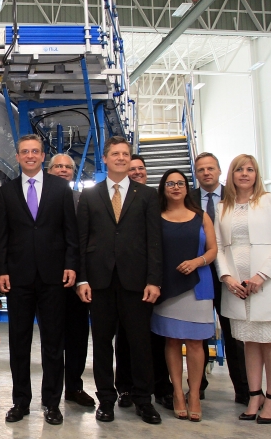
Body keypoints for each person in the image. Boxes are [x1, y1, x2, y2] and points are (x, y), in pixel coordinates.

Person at [76, 136, 163, 425]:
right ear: (105, 158)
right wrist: (82, 279)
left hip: (136, 282)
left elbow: (154, 242)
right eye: (115, 154)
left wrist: (154, 280)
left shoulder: (148, 195)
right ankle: (106, 400)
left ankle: (143, 399)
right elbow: (82, 239)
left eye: (126, 154)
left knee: (139, 344)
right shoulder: (90, 195)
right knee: (102, 344)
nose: (121, 158)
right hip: (99, 282)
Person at [0, 134, 79, 426]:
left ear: (43, 156)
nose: (30, 156)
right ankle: (21, 402)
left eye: (35, 151)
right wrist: (2, 270)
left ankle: (51, 402)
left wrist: (71, 264)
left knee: (54, 343)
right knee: (19, 342)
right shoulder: (6, 192)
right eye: (24, 152)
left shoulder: (60, 188)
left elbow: (71, 232)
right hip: (18, 278)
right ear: (17, 157)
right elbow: (2, 237)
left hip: (54, 277)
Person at [214, 154, 271, 424]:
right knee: (249, 342)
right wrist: (227, 277)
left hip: (266, 284)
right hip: (237, 286)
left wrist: (262, 275)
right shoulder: (223, 206)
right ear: (231, 175)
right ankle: (254, 395)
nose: (244, 174)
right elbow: (219, 247)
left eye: (250, 169)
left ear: (257, 174)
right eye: (239, 170)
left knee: (270, 340)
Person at [152, 169, 217, 422]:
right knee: (171, 341)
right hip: (168, 287)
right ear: (164, 188)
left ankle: (195, 395)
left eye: (180, 183)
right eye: (170, 183)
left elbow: (213, 250)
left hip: (198, 286)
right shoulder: (156, 217)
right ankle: (177, 393)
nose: (176, 187)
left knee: (195, 343)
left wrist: (197, 261)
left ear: (187, 188)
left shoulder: (201, 217)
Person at [190, 152, 249, 405]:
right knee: (199, 334)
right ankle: (197, 386)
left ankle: (244, 389)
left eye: (210, 168)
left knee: (234, 334)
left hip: (231, 275)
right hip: (200, 274)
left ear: (219, 170)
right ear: (196, 173)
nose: (206, 173)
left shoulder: (236, 196)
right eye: (201, 169)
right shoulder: (188, 198)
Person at [117, 154, 174, 411]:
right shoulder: (119, 198)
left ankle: (160, 387)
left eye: (141, 168)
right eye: (132, 168)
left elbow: (154, 241)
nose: (137, 171)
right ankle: (126, 387)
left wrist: (154, 278)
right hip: (126, 281)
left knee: (155, 337)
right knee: (127, 338)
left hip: (153, 277)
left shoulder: (154, 197)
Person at [46, 154, 95, 408]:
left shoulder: (82, 201)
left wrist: (81, 276)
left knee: (77, 336)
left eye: (68, 167)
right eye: (58, 166)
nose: (63, 170)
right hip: (47, 280)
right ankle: (50, 391)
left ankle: (74, 387)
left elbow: (86, 241)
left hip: (77, 280)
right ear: (49, 170)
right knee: (51, 339)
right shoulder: (37, 198)